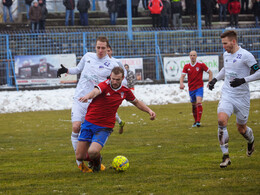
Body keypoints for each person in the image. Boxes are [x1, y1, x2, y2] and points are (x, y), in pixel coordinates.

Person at [57, 36, 119, 173]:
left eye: (103, 48)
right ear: (95, 47)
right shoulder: (88, 56)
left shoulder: (112, 65)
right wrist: (66, 70)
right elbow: (78, 69)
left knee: (90, 132)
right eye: (98, 47)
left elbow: (114, 84)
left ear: (107, 48)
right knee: (76, 126)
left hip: (95, 103)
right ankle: (80, 162)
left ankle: (93, 158)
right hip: (79, 98)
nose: (100, 50)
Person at [76, 67, 156, 172]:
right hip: (89, 123)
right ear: (110, 76)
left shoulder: (125, 91)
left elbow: (136, 102)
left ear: (122, 78)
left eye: (117, 79)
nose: (114, 81)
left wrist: (149, 111)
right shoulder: (104, 85)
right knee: (79, 156)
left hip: (104, 127)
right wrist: (88, 96)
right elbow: (96, 91)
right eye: (113, 78)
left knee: (92, 151)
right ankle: (97, 158)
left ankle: (97, 162)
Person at [208, 30, 260, 168]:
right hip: (228, 94)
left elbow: (259, 72)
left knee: (241, 129)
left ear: (233, 41)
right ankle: (225, 157)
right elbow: (226, 69)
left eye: (225, 43)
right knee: (221, 120)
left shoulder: (246, 55)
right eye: (222, 44)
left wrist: (243, 80)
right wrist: (214, 79)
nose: (223, 46)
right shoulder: (226, 54)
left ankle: (251, 141)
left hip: (242, 97)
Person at [179, 51, 213, 127]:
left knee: (198, 102)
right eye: (191, 55)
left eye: (194, 55)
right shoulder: (186, 66)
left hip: (199, 87)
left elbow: (210, 72)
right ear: (189, 56)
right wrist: (181, 83)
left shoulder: (201, 64)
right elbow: (182, 76)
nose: (192, 57)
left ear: (196, 56)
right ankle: (195, 121)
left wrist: (210, 81)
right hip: (191, 88)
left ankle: (198, 121)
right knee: (194, 105)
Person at [107, 45, 127, 134]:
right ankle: (119, 122)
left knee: (110, 107)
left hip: (115, 88)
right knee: (107, 107)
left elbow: (124, 72)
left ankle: (110, 125)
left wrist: (121, 83)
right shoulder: (100, 62)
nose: (107, 52)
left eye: (108, 50)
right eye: (105, 50)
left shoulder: (116, 61)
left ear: (111, 51)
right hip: (105, 87)